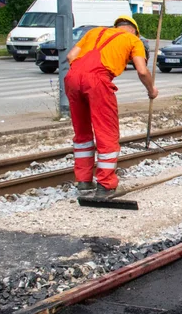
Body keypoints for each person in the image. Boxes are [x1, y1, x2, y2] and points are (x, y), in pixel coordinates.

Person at [66, 15, 158, 199]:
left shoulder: (93, 32)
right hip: (98, 80)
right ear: (134, 30)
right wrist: (151, 89)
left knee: (82, 132)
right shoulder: (133, 40)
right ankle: (105, 185)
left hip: (72, 78)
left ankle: (83, 181)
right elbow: (141, 70)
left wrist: (82, 75)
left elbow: (71, 56)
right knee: (106, 132)